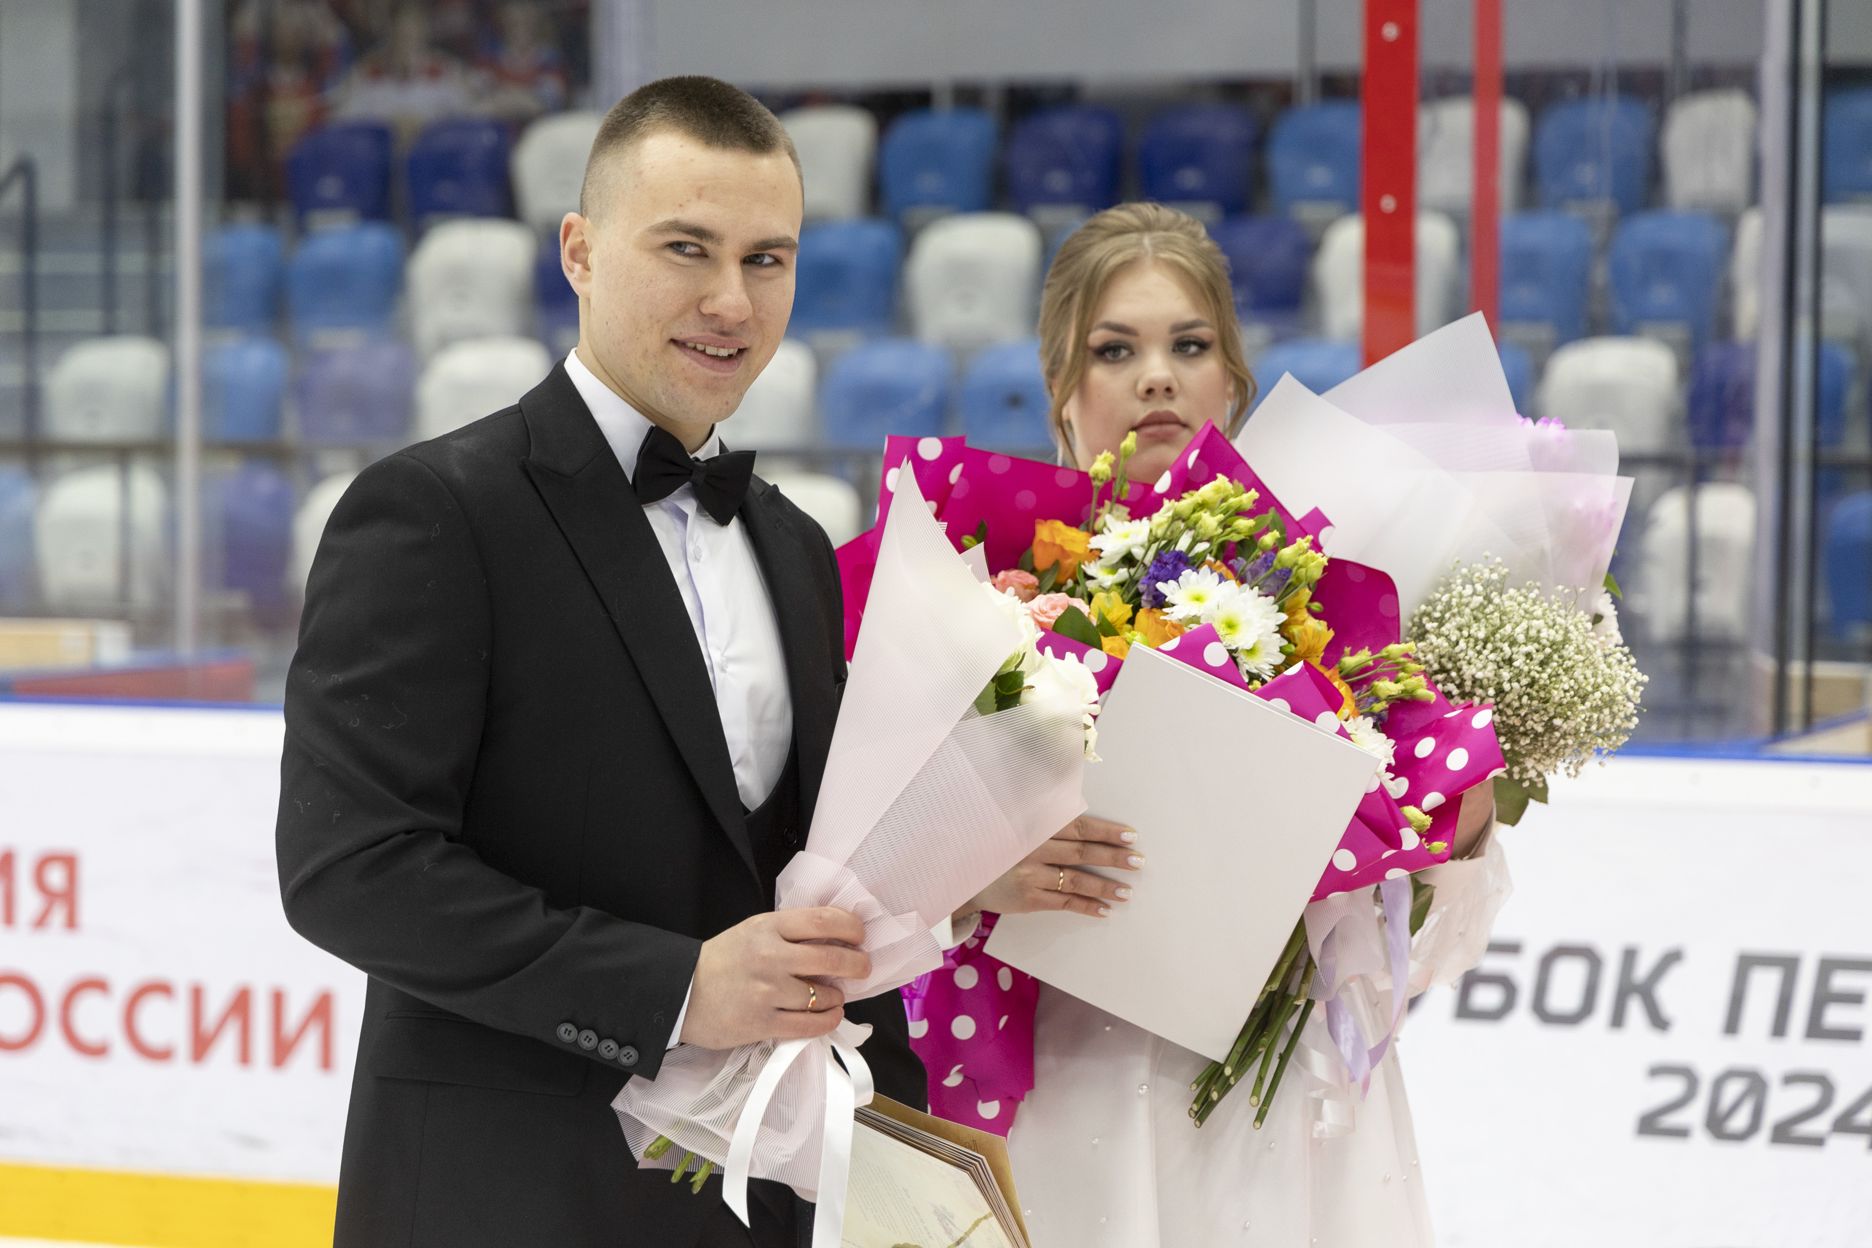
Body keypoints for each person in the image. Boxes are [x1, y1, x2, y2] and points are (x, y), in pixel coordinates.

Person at [275, 75, 925, 1248]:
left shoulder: (796, 545)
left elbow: (806, 876)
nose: (731, 300)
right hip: (504, 1198)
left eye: (768, 260)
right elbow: (350, 867)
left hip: (752, 1206)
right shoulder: (430, 511)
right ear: (578, 250)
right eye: (688, 248)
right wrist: (670, 990)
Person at [935, 202, 1509, 1245]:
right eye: (1117, 350)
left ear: (1233, 386)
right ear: (1064, 396)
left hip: (1285, 1111)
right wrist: (968, 877)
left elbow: (1423, 942)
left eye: (1188, 346)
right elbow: (871, 882)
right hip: (1075, 1091)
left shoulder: (1344, 608)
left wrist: (1457, 829)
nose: (1158, 374)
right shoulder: (976, 603)